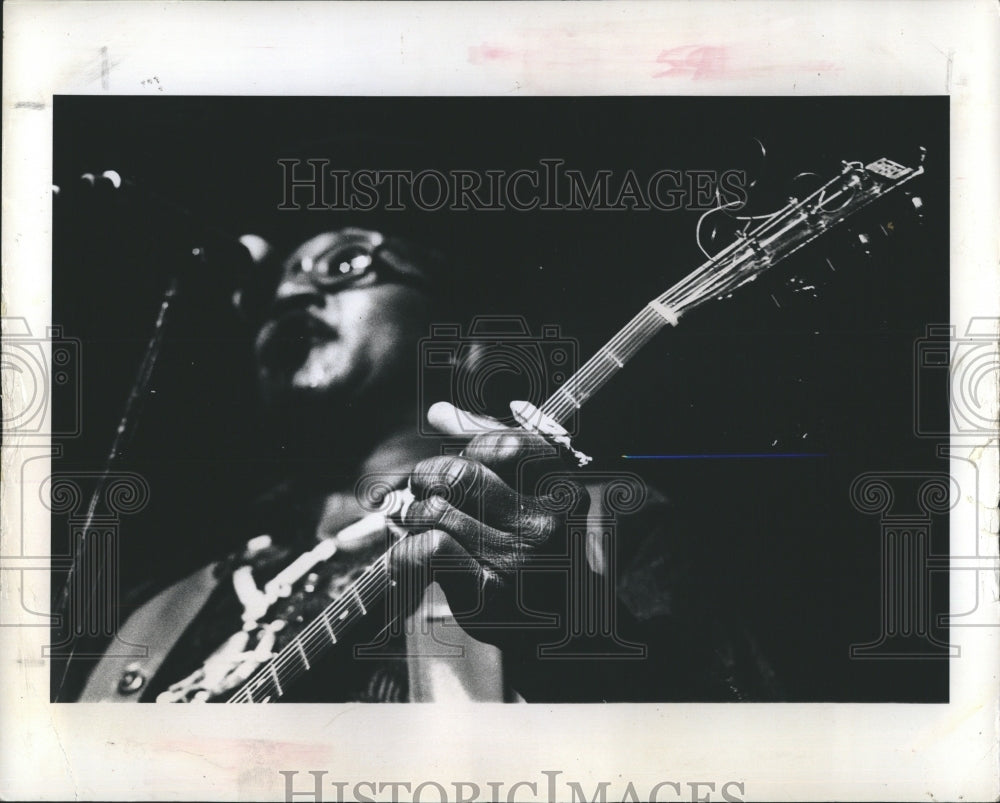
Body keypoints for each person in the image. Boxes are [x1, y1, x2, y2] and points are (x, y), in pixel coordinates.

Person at [75, 226, 777, 703]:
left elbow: (744, 746)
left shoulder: (597, 521)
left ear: (461, 337)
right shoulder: (168, 590)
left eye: (345, 264)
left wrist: (574, 628)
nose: (289, 297)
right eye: (267, 296)